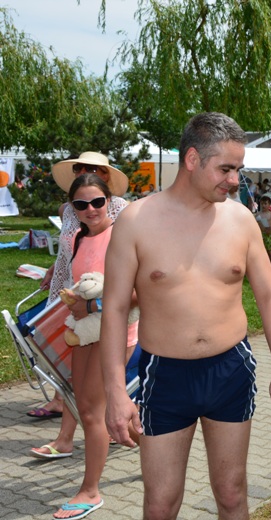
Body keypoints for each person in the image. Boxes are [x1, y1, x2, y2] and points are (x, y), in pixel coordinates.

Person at [101, 112, 271, 520]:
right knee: (161, 503)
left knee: (231, 494)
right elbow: (115, 310)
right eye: (226, 169)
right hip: (165, 375)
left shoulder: (240, 220)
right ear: (192, 159)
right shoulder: (136, 221)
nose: (235, 180)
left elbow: (269, 296)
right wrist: (116, 392)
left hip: (230, 370)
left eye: (238, 169)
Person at [52, 174, 139, 520]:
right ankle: (156, 447)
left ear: (110, 201)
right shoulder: (76, 238)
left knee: (92, 412)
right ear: (72, 208)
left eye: (97, 202)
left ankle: (90, 491)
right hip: (84, 333)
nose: (90, 209)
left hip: (116, 334)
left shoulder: (123, 236)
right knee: (91, 406)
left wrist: (92, 306)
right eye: (81, 204)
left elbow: (139, 292)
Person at [30, 152, 129, 456]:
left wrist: (93, 306)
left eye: (93, 169)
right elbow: (71, 250)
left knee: (95, 399)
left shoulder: (122, 215)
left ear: (106, 178)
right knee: (79, 384)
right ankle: (71, 437)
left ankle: (89, 445)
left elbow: (132, 279)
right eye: (80, 168)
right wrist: (54, 270)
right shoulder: (72, 212)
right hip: (74, 300)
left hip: (109, 315)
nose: (90, 208)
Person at [255, 193, 271, 265]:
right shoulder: (258, 214)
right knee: (261, 251)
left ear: (269, 205)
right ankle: (262, 264)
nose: (263, 205)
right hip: (260, 235)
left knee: (269, 251)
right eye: (262, 204)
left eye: (265, 204)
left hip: (268, 235)